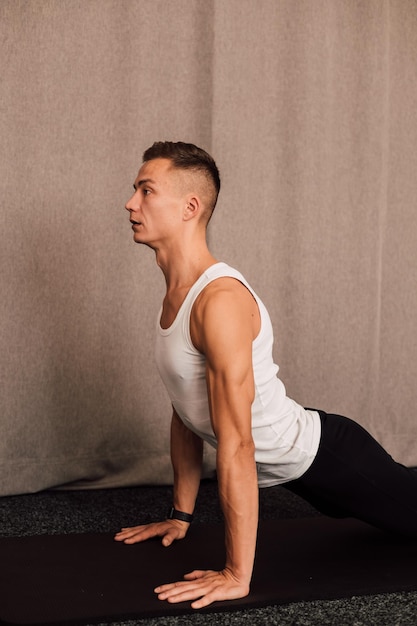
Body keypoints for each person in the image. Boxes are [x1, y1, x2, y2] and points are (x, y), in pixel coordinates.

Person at [115, 141, 417, 609]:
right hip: (306, 470)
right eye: (135, 190)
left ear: (189, 207)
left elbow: (237, 443)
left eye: (146, 190)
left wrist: (237, 575)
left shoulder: (219, 302)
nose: (131, 203)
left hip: (333, 460)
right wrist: (180, 516)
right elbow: (185, 413)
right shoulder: (178, 292)